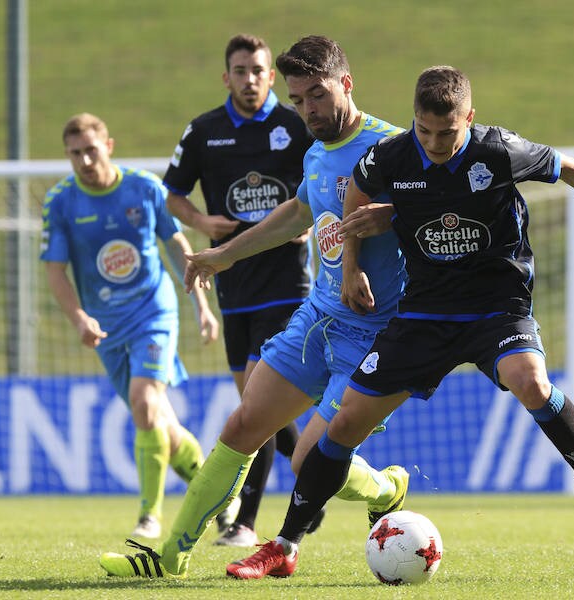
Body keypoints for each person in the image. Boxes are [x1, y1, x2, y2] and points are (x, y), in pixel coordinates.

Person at [220, 64, 574, 580]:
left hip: (496, 306)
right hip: (424, 312)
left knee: (529, 380)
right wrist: (352, 263)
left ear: (470, 118)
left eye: (448, 132)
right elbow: (356, 190)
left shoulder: (498, 150)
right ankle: (285, 545)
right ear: (414, 121)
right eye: (425, 131)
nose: (435, 142)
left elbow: (570, 170)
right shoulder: (394, 154)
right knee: (344, 424)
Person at [99, 35, 409, 579]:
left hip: (380, 335)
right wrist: (222, 254)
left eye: (317, 94)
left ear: (347, 83)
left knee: (307, 458)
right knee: (242, 425)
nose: (308, 109)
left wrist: (392, 215)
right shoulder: (314, 152)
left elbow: (439, 207)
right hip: (319, 320)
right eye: (298, 100)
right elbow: (297, 214)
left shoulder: (395, 148)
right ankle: (170, 556)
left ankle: (384, 488)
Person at [163, 33, 316, 547]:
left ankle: (245, 523)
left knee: (254, 401)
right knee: (263, 410)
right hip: (234, 287)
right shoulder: (204, 131)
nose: (249, 79)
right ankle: (330, 483)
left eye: (257, 70)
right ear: (224, 76)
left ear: (270, 76)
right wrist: (203, 219)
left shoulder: (295, 125)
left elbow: (331, 183)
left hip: (287, 284)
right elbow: (174, 197)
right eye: (239, 70)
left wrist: (314, 223)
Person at [41, 113, 220, 539]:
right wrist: (80, 318)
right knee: (162, 426)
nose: (84, 160)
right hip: (107, 327)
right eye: (75, 153)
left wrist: (201, 307)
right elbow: (54, 271)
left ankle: (149, 515)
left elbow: (175, 246)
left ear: (109, 146)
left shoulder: (144, 188)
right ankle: (219, 499)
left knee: (144, 400)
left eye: (91, 149)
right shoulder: (61, 202)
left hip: (153, 312)